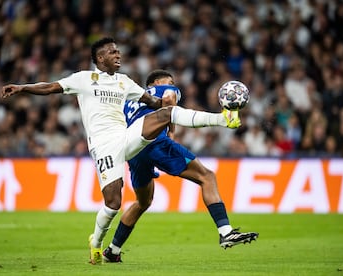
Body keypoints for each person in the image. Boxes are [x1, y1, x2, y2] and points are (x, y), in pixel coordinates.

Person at [1, 37, 241, 265]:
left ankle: (223, 120)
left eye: (118, 50)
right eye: (112, 51)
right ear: (99, 58)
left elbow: (155, 102)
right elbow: (51, 86)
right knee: (114, 202)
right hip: (103, 145)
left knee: (165, 115)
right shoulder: (84, 79)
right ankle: (96, 242)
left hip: (127, 136)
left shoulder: (124, 81)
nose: (118, 54)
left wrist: (167, 108)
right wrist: (23, 88)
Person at [102, 70, 259, 263]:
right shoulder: (165, 89)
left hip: (133, 152)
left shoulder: (130, 101)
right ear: (157, 82)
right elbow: (169, 101)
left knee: (143, 202)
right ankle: (225, 232)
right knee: (207, 177)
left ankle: (113, 250)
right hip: (156, 143)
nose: (173, 84)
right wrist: (171, 132)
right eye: (170, 81)